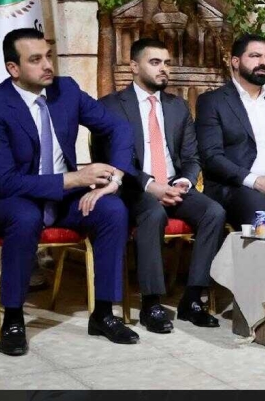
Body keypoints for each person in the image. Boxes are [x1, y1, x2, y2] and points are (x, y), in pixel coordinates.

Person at [0, 28, 139, 357]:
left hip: (62, 198)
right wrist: (76, 179)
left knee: (112, 210)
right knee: (25, 216)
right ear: (13, 68)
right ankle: (14, 320)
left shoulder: (67, 91)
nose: (48, 65)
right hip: (6, 201)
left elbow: (119, 127)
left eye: (48, 56)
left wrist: (115, 178)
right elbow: (5, 182)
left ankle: (103, 314)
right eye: (36, 60)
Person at [97, 39, 226, 333]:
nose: (164, 68)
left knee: (214, 212)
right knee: (153, 213)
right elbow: (111, 159)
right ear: (134, 66)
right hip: (133, 189)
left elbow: (192, 157)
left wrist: (183, 182)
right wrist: (150, 186)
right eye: (155, 62)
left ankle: (192, 299)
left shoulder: (177, 106)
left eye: (167, 63)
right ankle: (151, 304)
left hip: (174, 186)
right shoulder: (111, 106)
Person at [195, 33, 265, 230]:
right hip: (239, 188)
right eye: (255, 56)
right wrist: (257, 181)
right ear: (235, 62)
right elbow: (212, 157)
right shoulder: (213, 102)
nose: (263, 62)